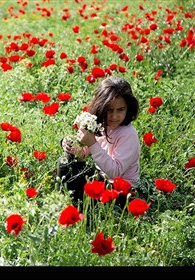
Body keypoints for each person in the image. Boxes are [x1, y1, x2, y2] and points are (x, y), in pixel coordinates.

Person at [56, 76, 140, 206]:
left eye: (120, 110)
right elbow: (85, 153)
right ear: (100, 107)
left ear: (129, 108)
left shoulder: (128, 134)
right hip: (102, 178)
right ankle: (67, 202)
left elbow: (115, 172)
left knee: (73, 173)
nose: (114, 116)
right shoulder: (101, 125)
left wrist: (92, 143)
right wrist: (71, 146)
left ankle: (80, 207)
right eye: (109, 110)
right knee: (66, 162)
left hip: (121, 192)